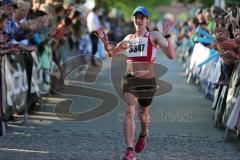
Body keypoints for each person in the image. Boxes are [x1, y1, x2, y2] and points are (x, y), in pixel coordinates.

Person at [95, 6, 175, 160]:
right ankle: (129, 150)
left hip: (147, 82)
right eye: (136, 18)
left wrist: (168, 34)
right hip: (130, 79)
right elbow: (111, 53)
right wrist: (105, 42)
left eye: (142, 18)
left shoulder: (154, 36)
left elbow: (171, 55)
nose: (138, 21)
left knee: (143, 113)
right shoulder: (128, 39)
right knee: (129, 111)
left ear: (147, 20)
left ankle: (144, 134)